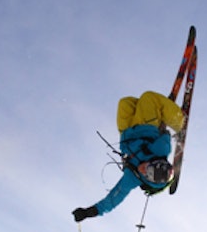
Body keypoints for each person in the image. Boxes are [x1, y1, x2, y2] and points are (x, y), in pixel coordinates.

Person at [73, 91, 184, 221]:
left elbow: (114, 198)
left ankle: (155, 109)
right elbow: (165, 137)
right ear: (155, 162)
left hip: (127, 132)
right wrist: (166, 128)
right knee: (149, 98)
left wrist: (89, 212)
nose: (143, 169)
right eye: (149, 167)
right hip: (146, 126)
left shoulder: (133, 177)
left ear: (146, 178)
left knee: (125, 103)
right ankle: (179, 120)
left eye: (146, 173)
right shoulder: (161, 150)